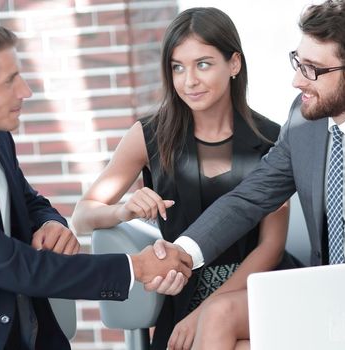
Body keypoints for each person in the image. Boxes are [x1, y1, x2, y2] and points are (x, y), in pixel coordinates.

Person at [0, 21, 192, 350]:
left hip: (29, 335)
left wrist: (49, 222)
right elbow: (17, 266)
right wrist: (138, 267)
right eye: (9, 82)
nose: (25, 91)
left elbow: (29, 201)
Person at [148, 1, 345, 349]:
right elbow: (249, 198)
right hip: (324, 291)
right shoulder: (304, 121)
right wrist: (182, 253)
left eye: (312, 69)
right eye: (298, 61)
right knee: (216, 313)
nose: (296, 81)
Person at [71, 7, 300, 350]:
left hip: (254, 288)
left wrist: (207, 311)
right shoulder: (148, 135)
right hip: (183, 292)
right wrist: (125, 211)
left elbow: (270, 247)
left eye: (203, 64)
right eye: (178, 67)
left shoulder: (271, 139)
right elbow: (82, 217)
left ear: (234, 64)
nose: (189, 80)